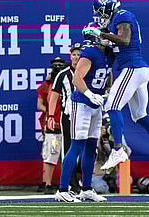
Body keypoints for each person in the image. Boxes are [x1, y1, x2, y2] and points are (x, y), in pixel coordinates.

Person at [83, 0, 149, 177]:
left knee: (112, 105)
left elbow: (125, 39)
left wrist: (102, 34)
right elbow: (112, 50)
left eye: (100, 12)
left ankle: (118, 149)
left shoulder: (122, 15)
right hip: (138, 70)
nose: (99, 16)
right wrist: (101, 39)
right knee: (139, 115)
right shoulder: (115, 22)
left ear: (108, 8)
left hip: (133, 68)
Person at [54, 22, 114, 203]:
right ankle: (63, 189)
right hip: (81, 103)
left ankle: (86, 188)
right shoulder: (89, 52)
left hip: (96, 104)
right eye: (103, 34)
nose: (107, 36)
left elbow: (107, 73)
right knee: (77, 145)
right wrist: (88, 93)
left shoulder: (108, 53)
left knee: (91, 147)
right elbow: (77, 78)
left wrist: (108, 90)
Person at [47, 43, 81, 194]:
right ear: (70, 56)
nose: (76, 57)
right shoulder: (63, 74)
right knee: (68, 150)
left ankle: (83, 183)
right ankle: (69, 184)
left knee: (88, 149)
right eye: (74, 54)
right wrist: (50, 114)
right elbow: (54, 95)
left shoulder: (88, 71)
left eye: (79, 54)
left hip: (85, 115)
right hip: (68, 116)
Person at [36, 57, 67, 194]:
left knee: (69, 155)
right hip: (53, 126)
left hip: (67, 124)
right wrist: (50, 113)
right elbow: (40, 104)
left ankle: (69, 184)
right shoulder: (46, 85)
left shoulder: (69, 81)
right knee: (51, 153)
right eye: (55, 65)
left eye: (60, 64)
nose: (58, 67)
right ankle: (47, 183)